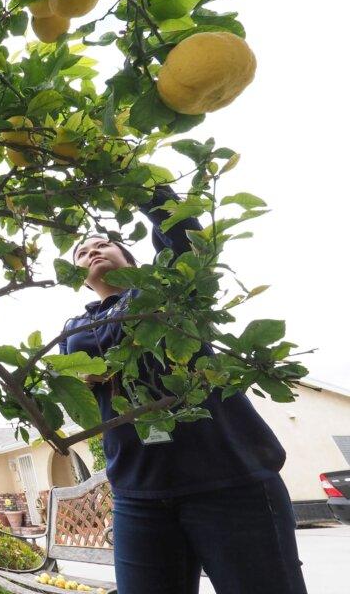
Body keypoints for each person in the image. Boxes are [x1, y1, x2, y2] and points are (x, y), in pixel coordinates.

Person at [62, 185, 307, 594]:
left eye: (105, 244)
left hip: (230, 479)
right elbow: (79, 367)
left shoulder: (170, 288)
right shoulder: (74, 327)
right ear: (81, 279)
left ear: (131, 258)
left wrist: (141, 185)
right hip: (138, 494)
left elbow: (182, 238)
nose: (94, 251)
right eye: (83, 253)